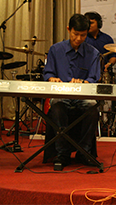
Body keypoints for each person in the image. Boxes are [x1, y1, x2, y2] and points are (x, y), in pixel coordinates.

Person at [43, 13, 101, 168]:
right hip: (61, 95)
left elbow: (94, 78)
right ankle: (62, 153)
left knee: (93, 108)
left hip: (82, 96)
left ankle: (84, 152)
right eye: (75, 34)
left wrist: (84, 82)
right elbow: (47, 73)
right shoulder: (56, 50)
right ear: (69, 29)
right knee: (57, 108)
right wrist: (52, 78)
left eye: (83, 35)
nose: (79, 39)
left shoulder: (93, 53)